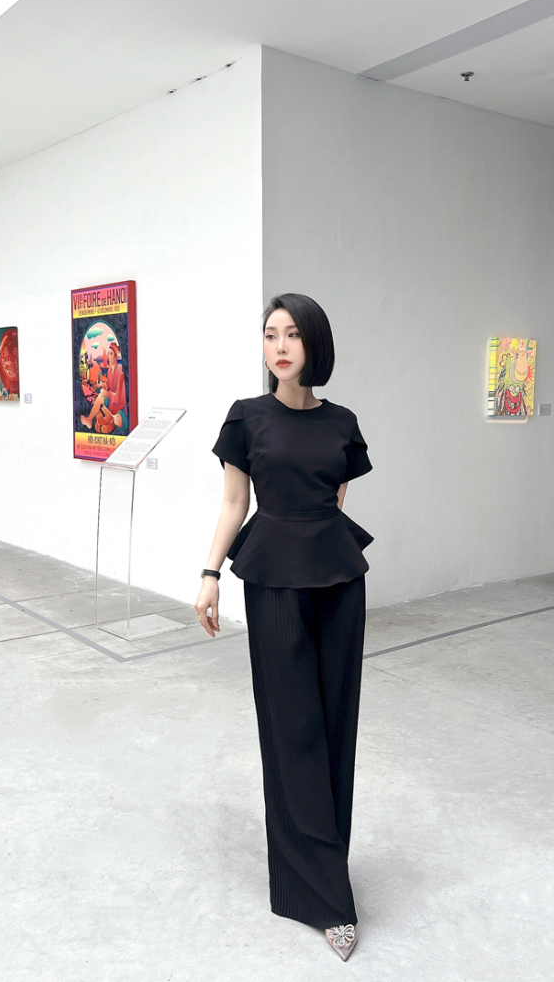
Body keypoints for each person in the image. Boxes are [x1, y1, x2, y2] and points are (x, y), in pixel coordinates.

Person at [196, 293, 374, 962]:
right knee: (291, 728)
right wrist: (210, 573)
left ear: (314, 344)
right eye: (271, 334)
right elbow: (233, 502)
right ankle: (324, 897)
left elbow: (335, 501)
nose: (279, 345)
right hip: (272, 580)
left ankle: (326, 871)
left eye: (292, 334)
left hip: (338, 581)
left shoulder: (343, 422)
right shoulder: (247, 417)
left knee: (334, 728)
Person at [80, 341, 127, 432]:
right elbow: (108, 386)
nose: (109, 356)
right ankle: (91, 419)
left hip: (117, 404)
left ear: (115, 357)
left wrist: (107, 393)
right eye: (108, 354)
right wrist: (102, 384)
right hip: (111, 402)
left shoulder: (120, 374)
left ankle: (90, 419)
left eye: (111, 354)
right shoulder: (109, 371)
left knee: (102, 397)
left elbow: (117, 397)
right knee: (101, 397)